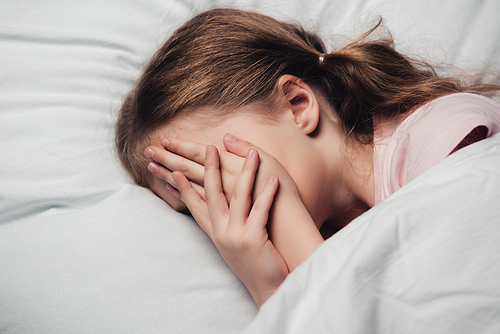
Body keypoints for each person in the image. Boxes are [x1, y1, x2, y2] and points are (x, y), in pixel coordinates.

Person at [115, 8, 500, 306]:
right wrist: (270, 288)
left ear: (297, 105)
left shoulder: (445, 138)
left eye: (220, 172)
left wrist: (289, 244)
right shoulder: (325, 242)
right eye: (197, 204)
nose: (222, 212)